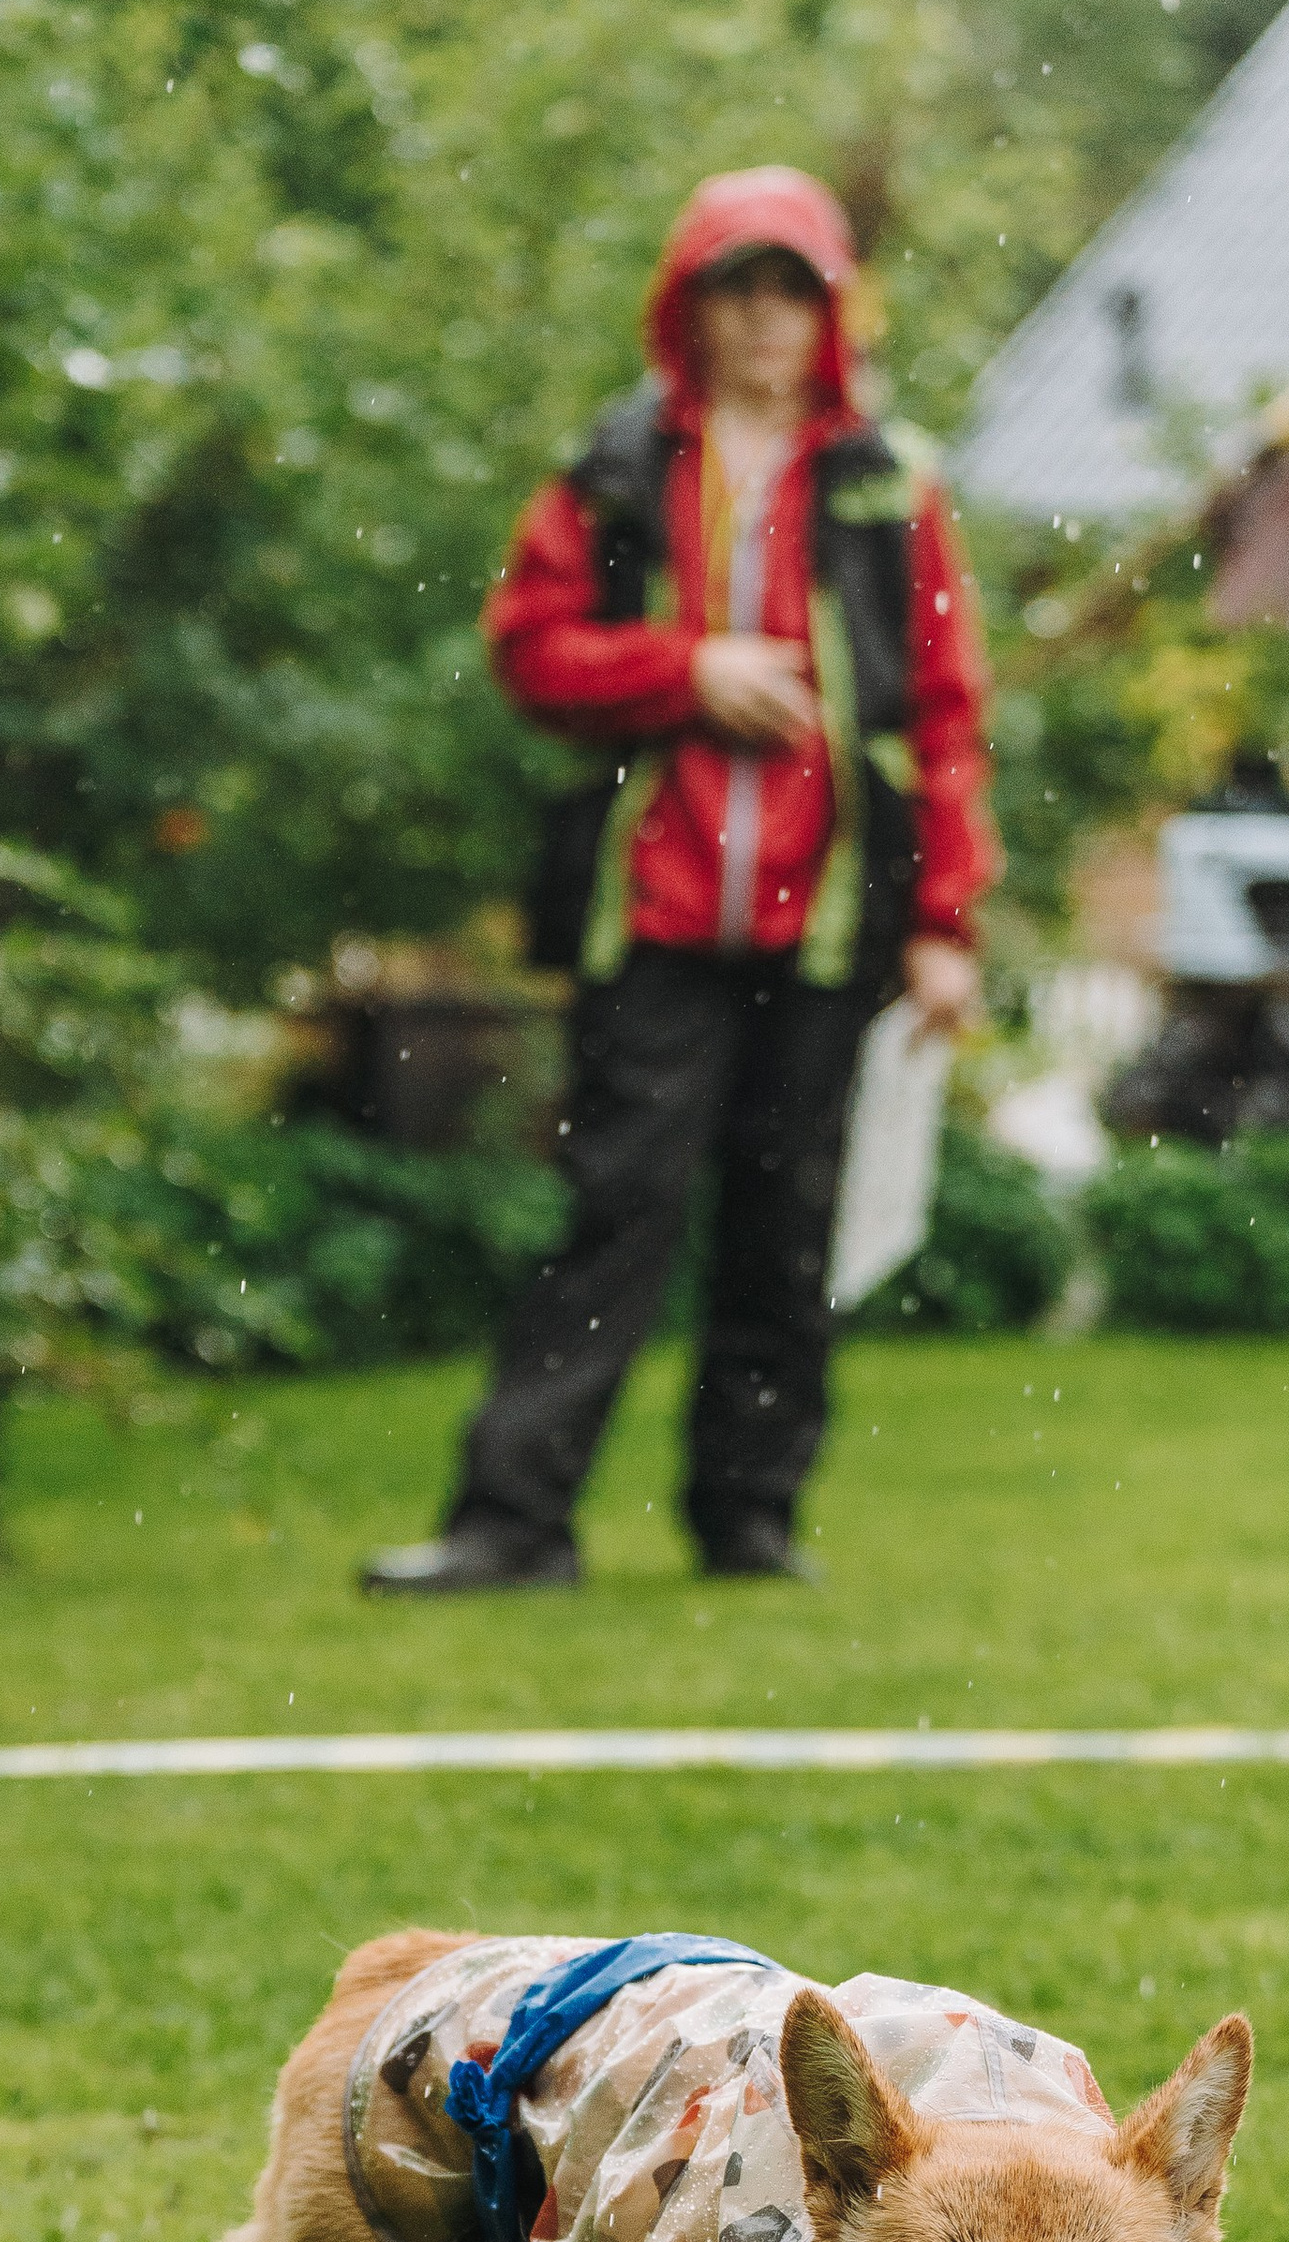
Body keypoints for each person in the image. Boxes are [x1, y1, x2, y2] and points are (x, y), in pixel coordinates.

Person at [361, 164, 998, 1596]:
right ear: (691, 307)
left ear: (828, 314)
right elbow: (529, 648)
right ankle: (511, 1522)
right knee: (615, 1212)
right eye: (739, 289)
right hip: (652, 917)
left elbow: (947, 716)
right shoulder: (620, 468)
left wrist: (945, 923)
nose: (765, 320)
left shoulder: (892, 483)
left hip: (832, 919)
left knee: (788, 1226)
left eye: (792, 292)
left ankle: (748, 1520)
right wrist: (684, 672)